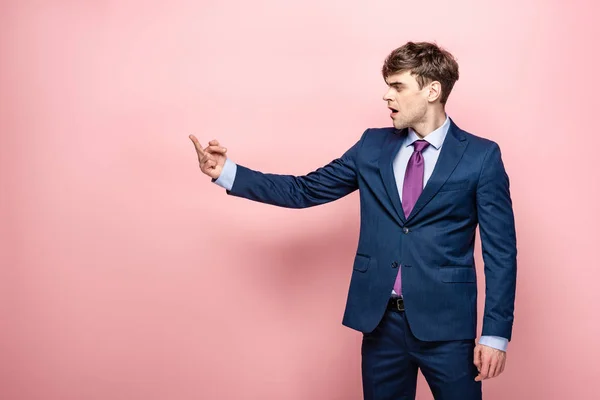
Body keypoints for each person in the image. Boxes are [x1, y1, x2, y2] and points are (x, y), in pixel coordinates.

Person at [189, 41, 517, 400]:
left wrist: (495, 334)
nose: (386, 96)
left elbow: (500, 254)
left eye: (397, 86)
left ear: (432, 91)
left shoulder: (481, 157)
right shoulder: (372, 146)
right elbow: (305, 190)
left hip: (448, 328)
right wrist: (229, 173)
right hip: (380, 324)